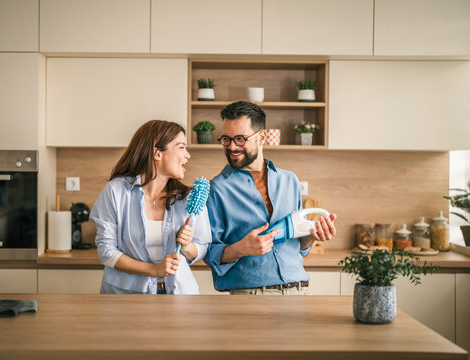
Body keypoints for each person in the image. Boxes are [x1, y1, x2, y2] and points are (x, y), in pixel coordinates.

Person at [204, 101, 337, 295]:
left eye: (240, 139)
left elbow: (300, 246)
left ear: (262, 137)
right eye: (226, 138)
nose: (232, 147)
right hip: (250, 296)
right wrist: (240, 248)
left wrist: (313, 235)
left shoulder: (289, 180)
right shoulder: (216, 189)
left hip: (299, 291)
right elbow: (207, 252)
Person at [90, 120, 211, 294]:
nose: (188, 155)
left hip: (179, 296)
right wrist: (153, 270)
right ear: (157, 153)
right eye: (181, 147)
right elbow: (106, 251)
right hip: (127, 298)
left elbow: (201, 248)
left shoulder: (189, 198)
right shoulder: (116, 192)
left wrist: (187, 246)